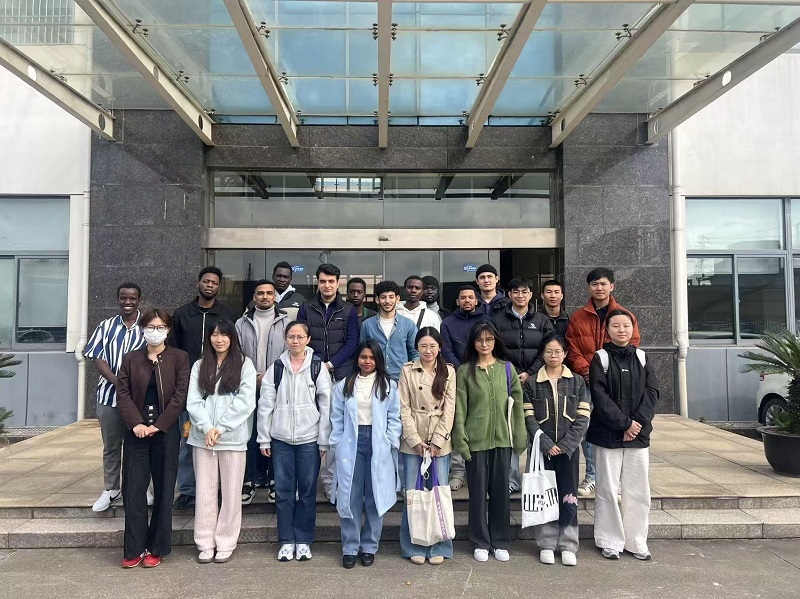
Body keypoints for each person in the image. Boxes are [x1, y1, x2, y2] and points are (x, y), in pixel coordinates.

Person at [115, 308, 190, 568]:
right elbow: (122, 393)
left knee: (164, 489)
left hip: (165, 431)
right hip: (136, 431)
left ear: (168, 330)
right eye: (150, 327)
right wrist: (136, 423)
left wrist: (159, 425)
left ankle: (157, 547)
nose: (155, 332)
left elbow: (180, 395)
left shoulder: (179, 358)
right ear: (142, 329)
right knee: (133, 489)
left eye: (160, 327)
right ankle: (134, 548)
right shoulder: (131, 358)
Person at [257, 321, 333, 563]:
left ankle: (304, 540)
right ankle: (286, 541)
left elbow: (326, 406)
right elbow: (265, 405)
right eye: (291, 336)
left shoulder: (317, 367)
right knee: (283, 492)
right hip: (281, 440)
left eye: (300, 336)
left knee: (308, 492)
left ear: (308, 339)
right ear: (286, 339)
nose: (296, 340)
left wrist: (323, 441)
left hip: (309, 440)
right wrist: (263, 438)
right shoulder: (277, 367)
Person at [452, 321, 526, 563]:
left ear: (496, 341)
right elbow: (459, 408)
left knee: (500, 493)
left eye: (489, 339)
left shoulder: (507, 369)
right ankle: (480, 541)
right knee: (477, 495)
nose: (484, 344)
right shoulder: (465, 370)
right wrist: (461, 439)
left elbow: (517, 406)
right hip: (475, 441)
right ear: (473, 343)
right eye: (479, 340)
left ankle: (500, 540)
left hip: (502, 441)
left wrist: (519, 436)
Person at [588, 309, 658, 561]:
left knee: (638, 490)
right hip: (607, 435)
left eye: (626, 325)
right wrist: (624, 424)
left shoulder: (642, 357)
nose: (621, 330)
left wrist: (636, 424)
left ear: (633, 328)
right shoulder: (601, 358)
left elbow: (652, 392)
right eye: (615, 325)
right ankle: (610, 540)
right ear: (607, 330)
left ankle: (636, 541)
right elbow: (600, 396)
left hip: (638, 436)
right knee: (607, 489)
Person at [566, 267, 641, 498]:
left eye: (603, 284)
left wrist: (610, 373)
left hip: (617, 383)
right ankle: (592, 475)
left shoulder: (624, 316)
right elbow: (572, 348)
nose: (599, 288)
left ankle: (614, 479)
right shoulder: (578, 317)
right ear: (589, 287)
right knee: (586, 428)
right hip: (588, 382)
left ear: (612, 286)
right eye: (595, 284)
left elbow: (632, 344)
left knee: (615, 424)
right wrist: (589, 371)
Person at [186, 319, 257, 564]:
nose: (219, 339)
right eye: (215, 335)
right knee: (205, 491)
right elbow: (193, 401)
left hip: (232, 438)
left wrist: (221, 427)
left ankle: (226, 541)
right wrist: (207, 427)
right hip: (203, 438)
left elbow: (246, 401)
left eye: (224, 335)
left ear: (232, 337)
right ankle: (205, 542)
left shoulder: (244, 364)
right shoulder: (199, 365)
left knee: (231, 493)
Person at [330, 340, 401, 569]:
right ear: (357, 359)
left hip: (377, 442)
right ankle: (350, 547)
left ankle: (369, 546)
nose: (367, 361)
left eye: (371, 358)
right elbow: (336, 417)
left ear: (378, 359)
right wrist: (337, 442)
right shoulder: (345, 384)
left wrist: (390, 440)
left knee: (374, 497)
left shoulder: (388, 385)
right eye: (363, 357)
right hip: (352, 441)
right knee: (350, 496)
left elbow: (394, 416)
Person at [171, 266, 238, 511]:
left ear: (219, 287)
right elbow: (173, 350)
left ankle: (216, 488)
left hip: (221, 387)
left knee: (219, 436)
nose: (210, 285)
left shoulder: (227, 314)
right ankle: (188, 489)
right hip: (190, 388)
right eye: (206, 281)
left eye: (214, 282)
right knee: (189, 439)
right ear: (199, 283)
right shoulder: (181, 314)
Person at [523, 335, 591, 567]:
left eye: (558, 351)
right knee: (545, 495)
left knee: (568, 495)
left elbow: (583, 417)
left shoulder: (577, 382)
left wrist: (565, 445)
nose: (553, 356)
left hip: (567, 451)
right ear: (542, 354)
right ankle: (546, 544)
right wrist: (545, 443)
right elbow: (529, 417)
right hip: (543, 450)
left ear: (565, 354)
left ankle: (568, 544)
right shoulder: (532, 383)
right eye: (549, 352)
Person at [85, 283, 148, 512]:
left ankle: (141, 488)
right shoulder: (106, 326)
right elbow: (97, 357)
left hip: (140, 398)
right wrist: (118, 382)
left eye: (132, 298)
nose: (127, 302)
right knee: (111, 445)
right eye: (123, 298)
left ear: (139, 300)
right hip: (109, 397)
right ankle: (111, 489)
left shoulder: (148, 326)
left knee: (141, 445)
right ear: (118, 299)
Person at [298, 263, 359, 499]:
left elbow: (352, 342)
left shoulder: (348, 309)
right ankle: (309, 478)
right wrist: (317, 365)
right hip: (312, 374)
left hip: (340, 375)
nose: (327, 285)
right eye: (323, 281)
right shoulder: (307, 307)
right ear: (318, 282)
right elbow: (302, 339)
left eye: (331, 281)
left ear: (337, 283)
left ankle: (330, 478)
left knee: (337, 427)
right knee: (313, 424)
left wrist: (330, 364)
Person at [398, 327, 456, 565]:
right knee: (413, 493)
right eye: (423, 345)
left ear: (439, 347)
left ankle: (439, 544)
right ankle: (413, 544)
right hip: (414, 440)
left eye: (432, 346)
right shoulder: (407, 370)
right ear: (417, 347)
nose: (428, 350)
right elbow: (403, 408)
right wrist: (415, 440)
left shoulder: (449, 371)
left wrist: (438, 440)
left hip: (440, 440)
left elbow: (450, 409)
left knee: (439, 491)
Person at [493, 277, 555, 494]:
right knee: (511, 429)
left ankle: (531, 478)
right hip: (507, 379)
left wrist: (530, 372)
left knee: (534, 428)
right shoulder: (498, 320)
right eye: (516, 292)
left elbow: (548, 349)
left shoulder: (542, 320)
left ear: (531, 294)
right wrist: (513, 372)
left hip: (536, 381)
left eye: (524, 291)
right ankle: (512, 480)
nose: (520, 295)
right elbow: (495, 349)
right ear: (509, 294)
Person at [235, 279, 288, 505]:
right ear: (254, 297)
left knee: (275, 431)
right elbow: (236, 351)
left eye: (269, 293)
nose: (265, 296)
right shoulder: (241, 323)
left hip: (277, 383)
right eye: (260, 293)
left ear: (275, 296)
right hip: (247, 384)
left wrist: (269, 375)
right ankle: (249, 480)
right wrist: (253, 375)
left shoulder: (286, 322)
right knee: (249, 433)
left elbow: (288, 352)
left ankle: (275, 479)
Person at [440, 285, 490, 490]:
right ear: (458, 301)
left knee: (482, 421)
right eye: (463, 298)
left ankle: (481, 471)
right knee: (457, 422)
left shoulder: (486, 321)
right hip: (457, 377)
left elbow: (490, 346)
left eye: (471, 297)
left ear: (477, 300)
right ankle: (458, 471)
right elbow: (446, 350)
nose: (467, 300)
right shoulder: (448, 323)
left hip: (483, 376)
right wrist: (462, 371)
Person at [360, 280, 419, 380]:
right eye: (383, 297)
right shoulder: (367, 325)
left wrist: (411, 376)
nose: (387, 301)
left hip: (401, 379)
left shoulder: (408, 324)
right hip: (375, 379)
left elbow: (415, 353)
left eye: (391, 297)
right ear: (377, 299)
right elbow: (362, 353)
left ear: (397, 299)